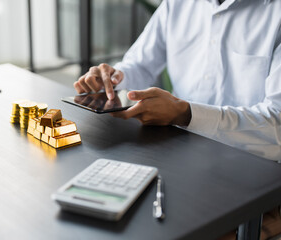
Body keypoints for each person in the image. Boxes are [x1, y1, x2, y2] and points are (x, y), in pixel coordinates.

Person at [73, 0, 281, 162]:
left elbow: (277, 124)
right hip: (179, 150)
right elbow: (142, 64)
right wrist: (114, 78)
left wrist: (186, 113)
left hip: (251, 170)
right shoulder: (176, 3)